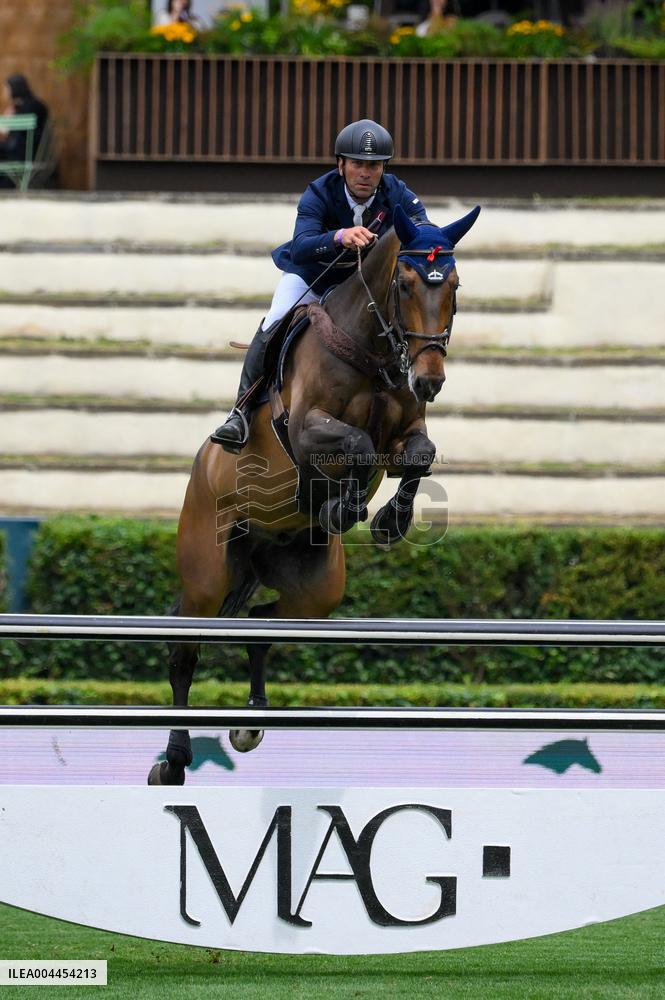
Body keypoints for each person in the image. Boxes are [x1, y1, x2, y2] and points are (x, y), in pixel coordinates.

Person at [211, 118, 430, 452]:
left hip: (362, 288)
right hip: (312, 275)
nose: (365, 173)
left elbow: (423, 229)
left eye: (374, 166)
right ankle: (240, 412)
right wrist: (339, 237)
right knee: (275, 318)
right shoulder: (319, 192)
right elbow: (301, 244)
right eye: (357, 164)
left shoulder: (396, 192)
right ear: (340, 164)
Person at [0, 75, 49, 179]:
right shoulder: (32, 104)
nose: (4, 92)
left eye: (6, 88)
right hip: (23, 150)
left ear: (15, 88)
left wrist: (9, 118)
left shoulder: (27, 107)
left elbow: (5, 129)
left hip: (24, 152)